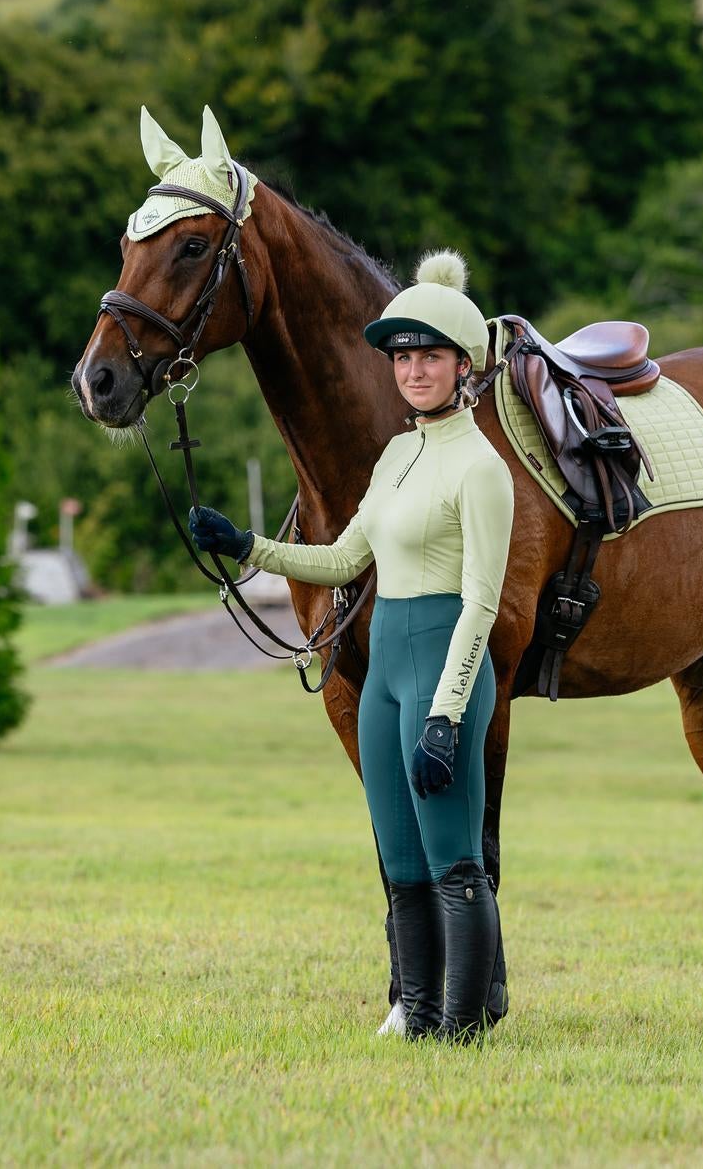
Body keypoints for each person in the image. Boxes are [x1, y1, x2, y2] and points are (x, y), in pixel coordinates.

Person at [188, 250, 514, 1042]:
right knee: (402, 863)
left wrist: (446, 711)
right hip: (384, 681)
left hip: (442, 668)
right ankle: (421, 1013)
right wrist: (249, 547)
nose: (413, 369)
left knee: (453, 861)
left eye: (429, 355)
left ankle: (464, 1029)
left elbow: (482, 600)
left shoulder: (482, 468)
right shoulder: (397, 456)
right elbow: (342, 559)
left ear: (463, 366)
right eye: (403, 356)